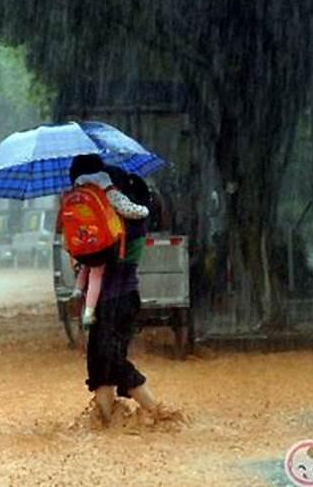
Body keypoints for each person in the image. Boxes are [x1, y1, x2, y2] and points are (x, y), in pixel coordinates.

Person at [71, 161, 184, 426]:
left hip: (120, 300)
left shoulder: (129, 221)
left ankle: (160, 414)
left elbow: (104, 251)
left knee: (112, 359)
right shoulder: (103, 218)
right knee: (98, 364)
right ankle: (107, 423)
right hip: (103, 302)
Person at [68, 155, 149, 330]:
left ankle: (77, 290)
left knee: (85, 266)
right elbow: (124, 207)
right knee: (97, 273)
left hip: (82, 241)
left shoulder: (76, 188)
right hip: (102, 242)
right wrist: (143, 210)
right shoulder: (104, 184)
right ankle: (88, 313)